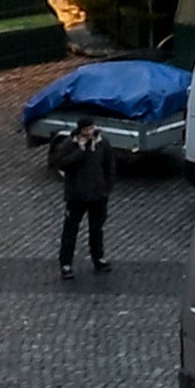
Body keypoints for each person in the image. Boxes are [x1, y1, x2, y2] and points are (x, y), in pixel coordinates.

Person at [54, 117, 114, 278]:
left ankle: (98, 258)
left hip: (97, 196)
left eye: (91, 128)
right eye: (86, 130)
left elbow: (109, 167)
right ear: (80, 130)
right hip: (77, 197)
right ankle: (66, 264)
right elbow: (61, 163)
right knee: (70, 231)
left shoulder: (102, 143)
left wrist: (106, 189)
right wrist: (79, 151)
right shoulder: (69, 145)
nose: (90, 132)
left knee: (96, 229)